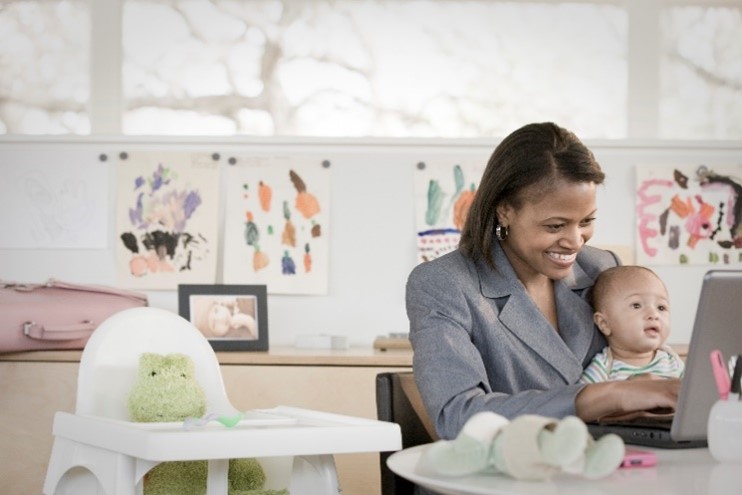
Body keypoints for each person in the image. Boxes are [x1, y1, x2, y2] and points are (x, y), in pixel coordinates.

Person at [406, 122, 680, 441]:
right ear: (505, 211)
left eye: (587, 221)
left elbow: (642, 360)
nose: (575, 241)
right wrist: (608, 395)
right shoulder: (444, 283)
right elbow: (458, 418)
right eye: (555, 226)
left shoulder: (603, 269)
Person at [580, 265, 684, 383]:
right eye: (636, 305)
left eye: (661, 307)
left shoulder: (672, 360)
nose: (654, 314)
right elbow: (580, 399)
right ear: (604, 324)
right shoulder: (603, 368)